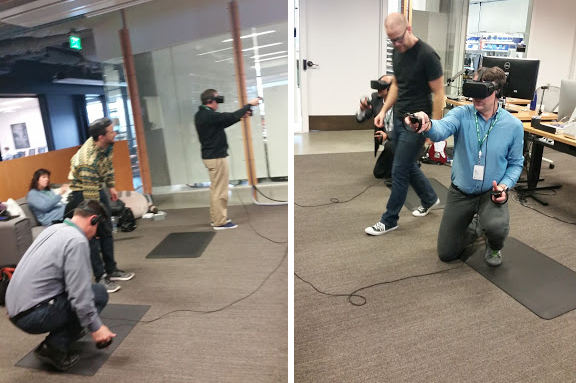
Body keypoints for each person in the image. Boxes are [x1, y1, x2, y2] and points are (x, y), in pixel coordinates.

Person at [403, 66, 524, 266]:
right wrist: (427, 125)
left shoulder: (513, 125)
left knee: (496, 227)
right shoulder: (461, 114)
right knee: (446, 253)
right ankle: (477, 226)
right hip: (461, 192)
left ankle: (493, 244)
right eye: (472, 89)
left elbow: (516, 163)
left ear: (497, 91)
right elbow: (441, 128)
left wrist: (504, 186)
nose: (476, 96)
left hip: (490, 193)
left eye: (482, 90)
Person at [5, 200, 116, 371]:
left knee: (83, 296)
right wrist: (96, 327)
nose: (95, 235)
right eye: (97, 230)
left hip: (15, 309)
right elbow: (80, 294)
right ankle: (53, 349)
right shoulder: (76, 241)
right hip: (31, 316)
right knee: (98, 293)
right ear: (93, 220)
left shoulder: (53, 229)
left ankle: (69, 330)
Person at [365, 12, 445, 236]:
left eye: (399, 38)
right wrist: (383, 110)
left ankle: (389, 220)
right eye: (391, 39)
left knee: (398, 170)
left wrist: (435, 128)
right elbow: (398, 85)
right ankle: (430, 198)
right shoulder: (396, 51)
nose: (396, 44)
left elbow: (439, 93)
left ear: (408, 29)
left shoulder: (428, 56)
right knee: (407, 165)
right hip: (399, 118)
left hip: (417, 123)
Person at [66, 117, 134, 293]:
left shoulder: (107, 145)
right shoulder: (87, 160)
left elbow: (108, 166)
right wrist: (94, 219)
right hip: (84, 194)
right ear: (101, 137)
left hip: (97, 187)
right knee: (92, 235)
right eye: (112, 132)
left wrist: (111, 186)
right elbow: (90, 201)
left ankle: (112, 270)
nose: (115, 133)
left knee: (106, 231)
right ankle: (100, 277)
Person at [194, 89, 261, 230]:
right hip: (216, 158)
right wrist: (249, 105)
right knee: (220, 191)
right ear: (210, 100)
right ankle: (220, 222)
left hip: (212, 157)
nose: (219, 102)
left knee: (215, 190)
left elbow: (224, 121)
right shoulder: (207, 115)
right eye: (217, 99)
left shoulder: (203, 114)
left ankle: (217, 218)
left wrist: (241, 116)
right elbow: (227, 117)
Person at [356, 74, 396, 184]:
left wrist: (388, 135)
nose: (378, 89)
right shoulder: (376, 99)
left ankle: (408, 166)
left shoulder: (402, 103)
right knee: (379, 173)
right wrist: (362, 110)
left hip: (405, 141)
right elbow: (360, 119)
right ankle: (407, 166)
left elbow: (406, 128)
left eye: (382, 86)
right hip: (389, 145)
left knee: (390, 145)